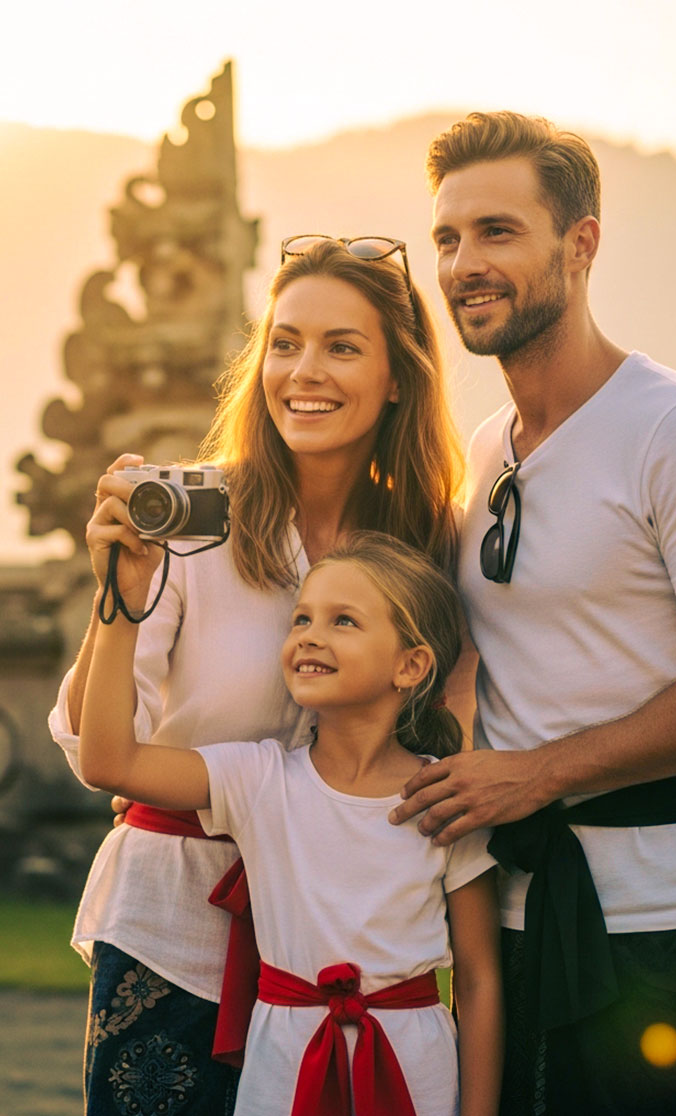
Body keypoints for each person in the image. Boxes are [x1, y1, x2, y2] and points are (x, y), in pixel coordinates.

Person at [390, 111, 676, 1114]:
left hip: (665, 924)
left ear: (580, 243)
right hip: (515, 920)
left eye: (496, 231)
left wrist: (533, 776)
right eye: (446, 238)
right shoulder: (484, 448)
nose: (461, 264)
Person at [49, 237, 467, 1115]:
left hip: (340, 927)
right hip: (175, 920)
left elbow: (474, 707)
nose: (303, 371)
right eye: (285, 342)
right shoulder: (190, 515)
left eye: (341, 346)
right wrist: (115, 595)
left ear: (398, 377)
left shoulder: (427, 539)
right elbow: (94, 742)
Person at [77, 531, 503, 1116]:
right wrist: (121, 601)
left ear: (411, 665)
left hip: (417, 1076)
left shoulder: (446, 799)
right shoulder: (258, 781)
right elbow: (107, 762)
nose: (308, 635)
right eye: (301, 618)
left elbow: (479, 981)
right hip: (283, 1075)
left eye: (343, 621)